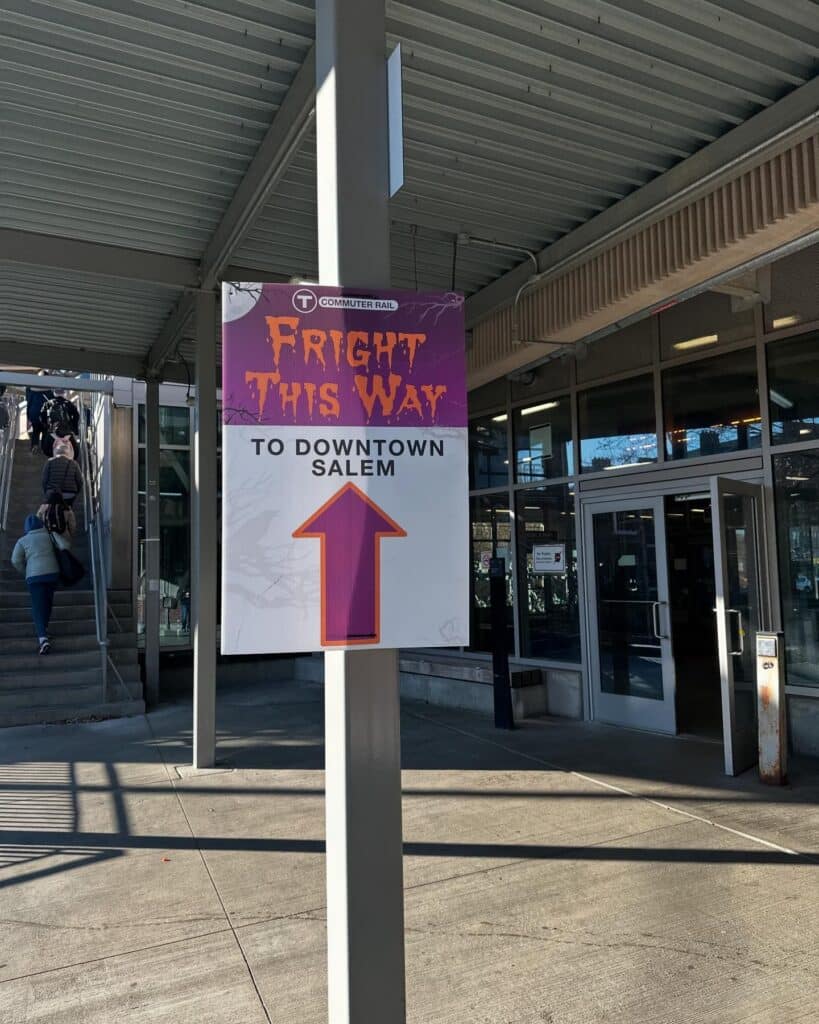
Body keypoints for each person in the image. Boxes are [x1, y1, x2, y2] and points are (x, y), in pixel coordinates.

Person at [11, 514, 62, 654]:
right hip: (52, 574)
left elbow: (15, 560)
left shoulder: (23, 540)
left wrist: (25, 571)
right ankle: (44, 630)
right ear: (41, 524)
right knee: (47, 602)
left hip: (34, 577)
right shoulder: (50, 535)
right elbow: (65, 545)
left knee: (37, 606)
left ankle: (43, 639)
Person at [40, 391, 79, 458]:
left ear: (54, 394)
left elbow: (41, 416)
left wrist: (47, 427)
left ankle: (53, 462)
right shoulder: (68, 403)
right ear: (64, 394)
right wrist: (73, 428)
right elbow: (76, 416)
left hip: (52, 434)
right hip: (67, 434)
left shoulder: (48, 403)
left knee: (47, 451)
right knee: (75, 453)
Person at [25, 385, 54, 454]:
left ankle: (35, 446)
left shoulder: (32, 391)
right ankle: (44, 448)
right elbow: (52, 403)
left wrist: (28, 417)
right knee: (45, 431)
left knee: (35, 431)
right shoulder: (49, 391)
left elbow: (29, 404)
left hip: (34, 414)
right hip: (45, 414)